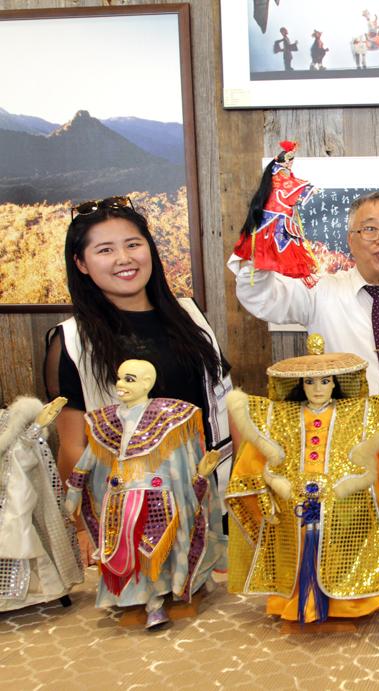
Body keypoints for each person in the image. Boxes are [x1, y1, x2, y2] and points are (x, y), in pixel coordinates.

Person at [230, 191, 379, 511]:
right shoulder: (320, 291)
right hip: (349, 459)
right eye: (370, 229)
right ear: (351, 240)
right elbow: (260, 296)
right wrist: (259, 241)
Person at [225, 336, 379, 637]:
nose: (318, 389)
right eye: (310, 382)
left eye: (325, 381)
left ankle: (347, 605)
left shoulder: (359, 413)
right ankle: (301, 604)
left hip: (346, 499)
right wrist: (269, 489)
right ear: (300, 385)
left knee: (346, 529)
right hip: (295, 499)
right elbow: (257, 460)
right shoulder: (280, 415)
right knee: (298, 537)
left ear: (336, 383)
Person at [45, 196, 233, 498]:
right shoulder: (72, 340)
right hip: (130, 510)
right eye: (105, 250)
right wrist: (81, 522)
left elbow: (225, 404)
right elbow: (72, 447)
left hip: (211, 496)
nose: (124, 258)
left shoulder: (190, 316)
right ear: (81, 263)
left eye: (133, 244)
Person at [64, 360, 224, 629]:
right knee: (125, 551)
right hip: (119, 499)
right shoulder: (107, 421)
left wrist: (198, 477)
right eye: (119, 378)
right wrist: (74, 489)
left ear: (147, 383)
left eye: (129, 379)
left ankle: (157, 603)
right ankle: (140, 601)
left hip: (158, 499)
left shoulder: (169, 417)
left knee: (156, 551)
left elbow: (182, 460)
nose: (120, 385)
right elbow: (88, 459)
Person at [0, 396, 83, 612]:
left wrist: (35, 428)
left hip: (12, 495)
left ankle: (33, 590)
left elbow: (22, 457)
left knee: (23, 530)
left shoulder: (9, 421)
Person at [231, 140, 318, 284]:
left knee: (278, 255)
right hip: (275, 219)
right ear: (285, 162)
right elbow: (288, 187)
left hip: (277, 218)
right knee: (276, 250)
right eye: (290, 161)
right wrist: (308, 189)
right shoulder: (278, 176)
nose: (291, 163)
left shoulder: (279, 174)